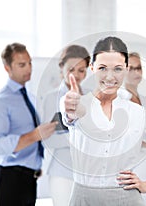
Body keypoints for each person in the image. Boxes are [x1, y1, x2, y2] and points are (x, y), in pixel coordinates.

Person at [62, 36, 146, 206]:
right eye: (102, 68)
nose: (110, 77)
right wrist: (72, 105)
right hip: (83, 199)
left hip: (126, 199)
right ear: (92, 67)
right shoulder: (76, 103)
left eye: (117, 69)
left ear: (126, 69)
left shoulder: (138, 113)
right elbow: (73, 113)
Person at [0, 42, 57, 206]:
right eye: (21, 65)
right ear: (7, 68)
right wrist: (35, 135)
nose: (28, 69)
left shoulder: (31, 98)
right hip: (9, 180)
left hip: (29, 181)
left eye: (30, 63)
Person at [40, 44, 90, 206]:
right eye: (71, 69)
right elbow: (49, 140)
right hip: (63, 174)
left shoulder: (91, 97)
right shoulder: (51, 98)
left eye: (81, 70)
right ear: (62, 68)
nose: (76, 75)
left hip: (90, 175)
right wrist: (80, 137)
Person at [118, 52, 146, 206]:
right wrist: (143, 138)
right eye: (131, 68)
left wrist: (142, 138)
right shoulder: (118, 100)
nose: (136, 72)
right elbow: (119, 136)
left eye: (139, 68)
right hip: (129, 165)